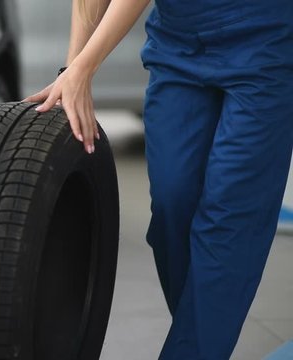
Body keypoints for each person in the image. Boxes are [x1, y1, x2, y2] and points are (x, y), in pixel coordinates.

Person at [24, 0, 293, 358]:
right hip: (178, 42)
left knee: (230, 220)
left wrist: (86, 66)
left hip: (265, 38)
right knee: (172, 205)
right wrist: (71, 68)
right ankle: (203, 335)